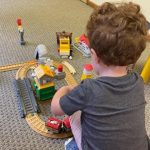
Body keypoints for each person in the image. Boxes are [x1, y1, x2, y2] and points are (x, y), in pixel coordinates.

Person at [51, 2, 148, 150]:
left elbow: (55, 109)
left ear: (95, 56)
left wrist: (65, 89)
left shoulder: (88, 89)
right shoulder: (138, 81)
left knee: (74, 112)